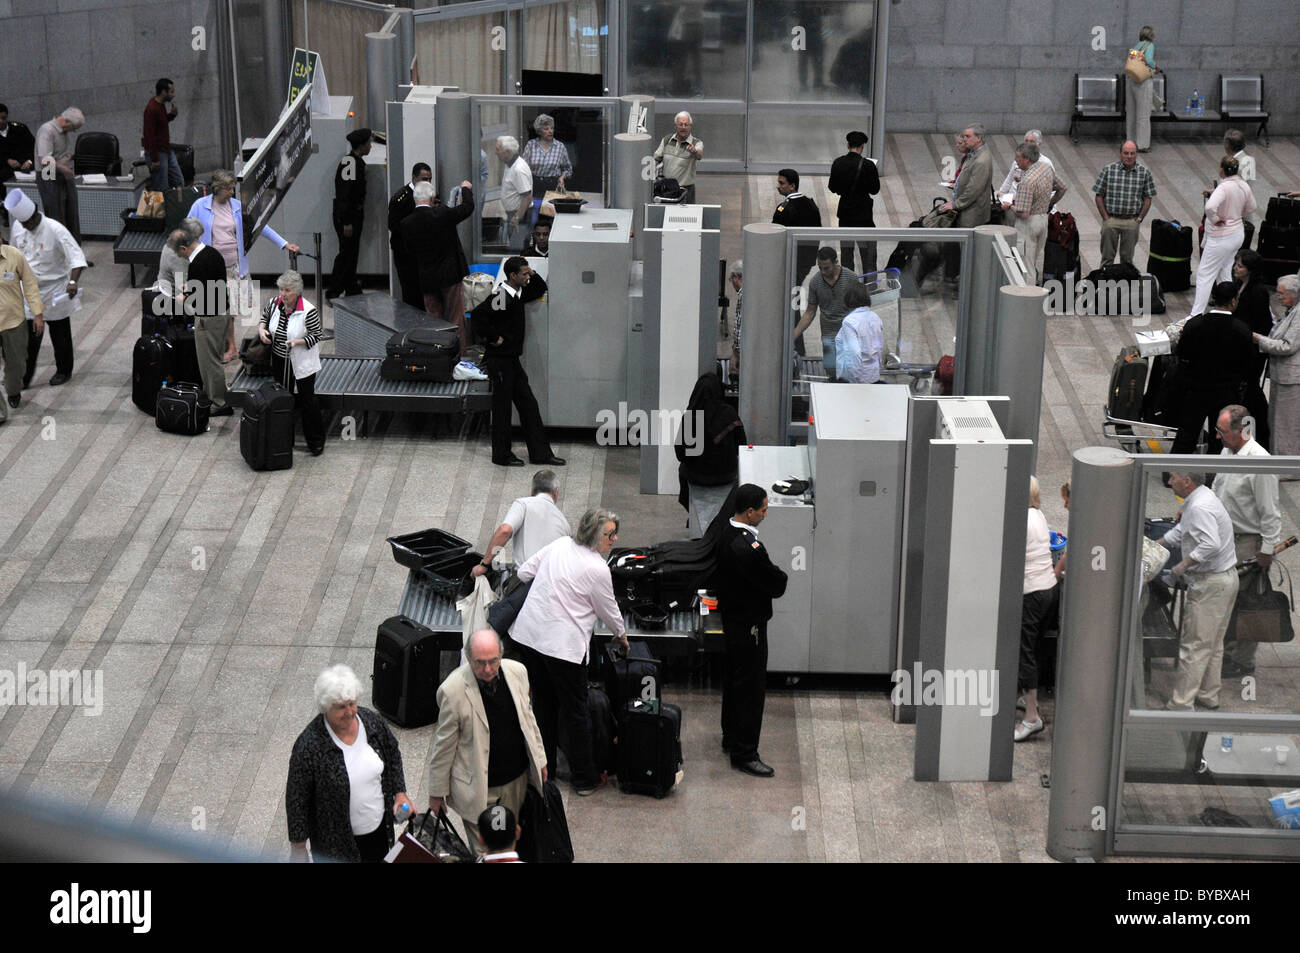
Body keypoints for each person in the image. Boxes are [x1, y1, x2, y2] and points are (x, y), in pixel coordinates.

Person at [509, 509, 628, 796]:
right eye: (610, 534)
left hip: (530, 637)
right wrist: (621, 636)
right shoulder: (597, 568)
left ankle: (544, 769)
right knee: (576, 713)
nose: (615, 538)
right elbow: (608, 609)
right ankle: (584, 777)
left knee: (543, 706)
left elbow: (525, 572)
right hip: (563, 649)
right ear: (594, 535)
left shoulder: (560, 544)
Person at [427, 629, 547, 855]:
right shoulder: (452, 691)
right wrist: (436, 792)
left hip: (516, 782)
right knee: (485, 851)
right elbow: (443, 747)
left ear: (501, 655)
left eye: (493, 661)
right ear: (469, 659)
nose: (488, 669)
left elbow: (528, 719)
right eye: (480, 663)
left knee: (510, 842)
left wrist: (540, 759)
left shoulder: (517, 672)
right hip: (479, 789)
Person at [286, 664, 414, 862]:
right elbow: (297, 798)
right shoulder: (309, 746)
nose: (349, 711)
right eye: (341, 707)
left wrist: (400, 792)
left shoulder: (371, 722)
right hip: (335, 842)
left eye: (352, 703)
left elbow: (392, 754)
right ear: (325, 707)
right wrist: (298, 847)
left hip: (377, 828)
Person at [716, 484, 788, 777]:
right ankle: (745, 752)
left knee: (734, 681)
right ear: (750, 512)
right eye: (763, 509)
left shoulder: (725, 533)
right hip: (750, 627)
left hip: (732, 622)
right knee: (750, 689)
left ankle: (731, 736)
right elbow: (777, 582)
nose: (766, 514)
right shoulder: (749, 548)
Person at [187, 169, 298, 355]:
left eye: (233, 189)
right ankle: (224, 344)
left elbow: (261, 227)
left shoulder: (237, 207)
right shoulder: (200, 205)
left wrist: (284, 243)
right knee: (218, 309)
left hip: (235, 265)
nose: (232, 192)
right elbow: (187, 228)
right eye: (229, 189)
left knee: (231, 309)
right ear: (219, 188)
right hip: (212, 267)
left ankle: (231, 346)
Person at [470, 257, 564, 467]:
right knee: (502, 408)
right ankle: (501, 455)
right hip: (500, 362)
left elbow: (540, 288)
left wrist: (532, 272)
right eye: (523, 274)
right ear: (512, 276)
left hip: (511, 360)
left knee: (528, 405)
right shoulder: (502, 296)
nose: (527, 277)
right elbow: (477, 317)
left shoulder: (519, 293)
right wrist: (495, 338)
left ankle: (540, 453)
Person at [1159, 471, 1240, 711]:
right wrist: (1155, 545)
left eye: (1173, 477)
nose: (1169, 482)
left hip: (1210, 584)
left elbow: (1210, 544)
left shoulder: (1199, 507)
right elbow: (1182, 532)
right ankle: (1208, 694)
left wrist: (1182, 565)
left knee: (1193, 646)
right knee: (1212, 644)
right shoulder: (1200, 498)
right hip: (1225, 580)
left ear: (1187, 481)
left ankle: (1181, 704)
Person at [1213, 404, 1281, 679]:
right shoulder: (1228, 450)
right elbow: (1219, 486)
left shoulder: (1260, 462)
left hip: (1247, 542)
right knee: (1228, 600)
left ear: (1243, 431)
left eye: (1223, 431)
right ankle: (1226, 652)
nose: (1218, 436)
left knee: (1248, 604)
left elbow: (1270, 511)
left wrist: (1266, 550)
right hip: (1226, 538)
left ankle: (1242, 660)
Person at [4, 190, 84, 388]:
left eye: (26, 224)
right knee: (30, 339)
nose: (23, 227)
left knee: (60, 335)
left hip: (55, 289)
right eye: (21, 224)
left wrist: (72, 283)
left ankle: (64, 371)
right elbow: (14, 254)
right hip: (30, 291)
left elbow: (77, 258)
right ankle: (24, 377)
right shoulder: (18, 227)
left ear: (34, 217)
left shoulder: (55, 229)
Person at [1170, 281, 1256, 457]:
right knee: (1220, 436)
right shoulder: (1241, 329)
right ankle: (1214, 477)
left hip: (1195, 389)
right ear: (1233, 301)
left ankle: (1173, 472)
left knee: (1187, 432)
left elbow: (1181, 354)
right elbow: (1248, 363)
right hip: (1226, 392)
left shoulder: (1194, 324)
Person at [257, 270, 324, 455]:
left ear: (297, 291)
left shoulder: (308, 310)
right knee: (281, 399)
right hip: (279, 359)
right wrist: (262, 331)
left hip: (301, 362)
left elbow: (317, 335)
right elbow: (263, 319)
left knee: (307, 400)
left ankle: (315, 441)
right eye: (281, 290)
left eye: (287, 290)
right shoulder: (274, 304)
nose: (283, 294)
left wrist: (297, 342)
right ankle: (283, 439)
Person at [401, 179, 475, 345]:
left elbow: (409, 252)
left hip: (426, 277)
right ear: (432, 197)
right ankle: (458, 358)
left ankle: (437, 355)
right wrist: (465, 190)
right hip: (450, 276)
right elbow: (467, 208)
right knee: (455, 318)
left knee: (433, 320)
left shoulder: (406, 223)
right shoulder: (442, 214)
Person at [676, 371, 747, 536]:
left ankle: (691, 513)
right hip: (726, 476)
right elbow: (742, 445)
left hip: (697, 476)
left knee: (682, 469)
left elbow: (680, 454)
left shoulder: (690, 417)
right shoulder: (729, 413)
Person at [1017, 477, 1059, 742]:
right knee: (1033, 648)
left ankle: (1031, 717)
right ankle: (1028, 697)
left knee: (1025, 652)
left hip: (1031, 592)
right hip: (1048, 589)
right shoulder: (1038, 515)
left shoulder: (1022, 520)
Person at [471, 469, 570, 579]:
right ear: (556, 493)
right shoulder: (564, 523)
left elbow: (505, 531)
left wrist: (484, 564)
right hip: (549, 583)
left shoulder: (524, 504)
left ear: (532, 492)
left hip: (523, 580)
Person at [175, 229, 233, 416]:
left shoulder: (197, 263)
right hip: (221, 312)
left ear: (184, 248)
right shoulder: (212, 252)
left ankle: (220, 402)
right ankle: (216, 396)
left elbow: (194, 295)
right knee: (213, 357)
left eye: (179, 253)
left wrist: (182, 297)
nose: (180, 256)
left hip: (208, 318)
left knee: (209, 362)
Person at [1191, 156, 1256, 318]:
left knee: (1205, 274)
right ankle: (1228, 307)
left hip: (1220, 237)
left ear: (1222, 169)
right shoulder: (1243, 185)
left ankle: (1196, 314)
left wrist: (1215, 219)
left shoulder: (1223, 187)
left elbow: (1210, 207)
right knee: (1225, 272)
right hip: (1237, 234)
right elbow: (1251, 207)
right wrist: (1235, 212)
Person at [1008, 142, 1067, 286]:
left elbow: (1023, 213)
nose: (1016, 160)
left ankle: (1027, 298)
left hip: (1027, 226)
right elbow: (1062, 188)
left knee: (1026, 266)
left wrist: (1009, 206)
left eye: (1018, 157)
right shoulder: (1046, 168)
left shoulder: (1026, 182)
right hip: (1042, 220)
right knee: (1032, 260)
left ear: (1027, 159)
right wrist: (1050, 203)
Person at [1253, 276, 1300, 456]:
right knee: (1277, 422)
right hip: (1282, 375)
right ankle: (1279, 460)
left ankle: (1288, 465)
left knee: (1286, 425)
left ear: (1294, 295)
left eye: (1282, 294)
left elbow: (1288, 346)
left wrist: (1260, 339)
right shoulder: (1291, 310)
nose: (1278, 297)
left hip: (1292, 378)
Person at [940, 124, 993, 283]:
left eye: (968, 136)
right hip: (967, 209)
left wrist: (955, 204)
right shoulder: (974, 155)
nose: (964, 139)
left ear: (979, 138)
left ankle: (969, 283)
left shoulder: (982, 160)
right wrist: (957, 183)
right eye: (964, 136)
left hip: (972, 213)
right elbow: (968, 178)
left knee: (968, 251)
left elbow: (974, 189)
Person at [1091, 140, 1157, 267]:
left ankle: (1124, 285)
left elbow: (1148, 198)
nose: (1129, 156)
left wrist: (1139, 219)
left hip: (1131, 221)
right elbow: (1099, 195)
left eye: (1132, 153)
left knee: (1127, 260)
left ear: (1136, 154)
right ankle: (1105, 285)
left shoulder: (1144, 173)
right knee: (1107, 259)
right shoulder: (1108, 170)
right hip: (1111, 220)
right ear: (1120, 153)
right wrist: (1106, 218)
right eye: (1126, 153)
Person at [794, 247, 854, 379]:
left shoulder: (850, 277)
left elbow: (859, 307)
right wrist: (794, 335)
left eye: (826, 268)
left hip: (849, 333)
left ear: (836, 262)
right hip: (829, 336)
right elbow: (810, 312)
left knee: (850, 372)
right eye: (820, 268)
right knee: (831, 371)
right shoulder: (815, 282)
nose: (823, 271)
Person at [1232, 249, 1272, 448]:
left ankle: (1262, 431)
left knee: (1251, 390)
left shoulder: (1258, 292)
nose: (1235, 268)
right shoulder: (1240, 285)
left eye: (1240, 266)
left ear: (1250, 270)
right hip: (1241, 345)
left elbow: (1261, 322)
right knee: (1250, 391)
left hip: (1253, 349)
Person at [327, 128, 372, 301]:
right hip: (348, 216)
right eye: (368, 143)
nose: (370, 147)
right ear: (361, 145)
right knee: (346, 254)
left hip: (353, 215)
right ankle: (334, 290)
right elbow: (344, 194)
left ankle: (351, 286)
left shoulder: (354, 162)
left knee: (352, 252)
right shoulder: (351, 164)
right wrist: (346, 221)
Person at [0, 240, 43, 421]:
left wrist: (38, 314)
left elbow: (30, 284)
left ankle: (13, 389)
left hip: (13, 322)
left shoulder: (14, 255)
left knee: (17, 365)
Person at [828, 131, 880, 274]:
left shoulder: (838, 163)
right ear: (862, 147)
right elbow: (875, 190)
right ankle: (870, 288)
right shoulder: (868, 166)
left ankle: (848, 284)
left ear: (847, 145)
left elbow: (832, 187)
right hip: (863, 215)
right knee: (868, 254)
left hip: (845, 213)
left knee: (846, 253)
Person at [34, 108, 84, 244]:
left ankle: (75, 254)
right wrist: (64, 169)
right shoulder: (47, 130)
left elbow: (59, 153)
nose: (73, 131)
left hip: (62, 172)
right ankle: (60, 254)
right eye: (74, 128)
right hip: (48, 173)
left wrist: (67, 160)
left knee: (71, 213)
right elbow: (44, 159)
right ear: (67, 122)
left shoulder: (63, 132)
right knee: (56, 215)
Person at [387, 162, 432, 309]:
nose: (427, 183)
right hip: (405, 253)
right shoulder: (401, 199)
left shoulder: (429, 195)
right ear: (414, 178)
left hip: (422, 252)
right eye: (424, 179)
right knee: (410, 291)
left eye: (429, 179)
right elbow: (393, 226)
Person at [772, 168, 821, 281]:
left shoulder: (784, 208)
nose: (778, 186)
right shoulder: (811, 204)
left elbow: (775, 234)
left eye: (781, 183)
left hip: (790, 259)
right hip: (807, 259)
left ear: (792, 186)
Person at [834, 283, 884, 384]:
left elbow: (854, 353)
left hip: (856, 379)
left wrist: (855, 381)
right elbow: (879, 348)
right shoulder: (875, 317)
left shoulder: (849, 322)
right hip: (873, 375)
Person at [653, 112, 703, 205]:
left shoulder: (696, 142)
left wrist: (694, 151)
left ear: (690, 126)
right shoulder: (667, 140)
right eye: (680, 124)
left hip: (685, 190)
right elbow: (656, 158)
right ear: (675, 126)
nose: (683, 127)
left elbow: (699, 155)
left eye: (686, 124)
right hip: (667, 189)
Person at [142, 78, 182, 191]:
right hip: (158, 152)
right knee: (161, 187)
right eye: (171, 92)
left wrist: (171, 115)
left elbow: (161, 124)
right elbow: (149, 135)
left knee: (179, 181)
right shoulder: (151, 109)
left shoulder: (160, 105)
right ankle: (161, 208)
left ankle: (178, 203)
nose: (173, 95)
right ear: (164, 92)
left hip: (165, 149)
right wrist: (155, 159)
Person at [1124, 26, 1160, 152]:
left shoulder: (1136, 46)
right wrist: (1157, 67)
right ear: (1151, 35)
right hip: (1143, 82)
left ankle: (1130, 141)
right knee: (1143, 115)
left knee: (1131, 114)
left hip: (1131, 80)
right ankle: (1142, 144)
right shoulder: (1149, 45)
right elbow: (1149, 60)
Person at [0, 103, 35, 230]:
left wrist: (30, 161)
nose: (1, 121)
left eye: (3, 118)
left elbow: (34, 148)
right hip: (4, 169)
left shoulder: (20, 129)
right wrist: (6, 160)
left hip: (24, 166)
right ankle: (7, 211)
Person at [495, 136, 533, 250]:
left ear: (507, 152)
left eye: (498, 150)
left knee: (517, 248)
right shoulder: (509, 164)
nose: (495, 153)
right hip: (514, 213)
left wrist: (517, 218)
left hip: (520, 214)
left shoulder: (518, 169)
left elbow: (527, 197)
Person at [521, 114, 573, 196]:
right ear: (539, 131)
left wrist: (562, 178)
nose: (550, 131)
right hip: (534, 185)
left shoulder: (560, 147)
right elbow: (523, 167)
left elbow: (568, 169)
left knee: (550, 208)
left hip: (553, 185)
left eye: (552, 128)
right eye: (546, 129)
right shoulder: (531, 145)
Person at [156, 217, 203, 304]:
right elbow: (182, 289)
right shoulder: (179, 256)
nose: (198, 241)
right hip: (172, 297)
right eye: (196, 238)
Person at [998, 130, 1053, 198]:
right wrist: (1001, 192)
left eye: (1032, 142)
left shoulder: (1046, 163)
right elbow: (1009, 179)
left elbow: (1051, 187)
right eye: (1026, 141)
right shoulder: (1018, 159)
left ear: (1039, 144)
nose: (1028, 144)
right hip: (1011, 196)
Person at [727, 260, 743, 375]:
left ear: (736, 277)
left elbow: (740, 329)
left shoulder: (744, 296)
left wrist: (736, 353)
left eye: (730, 279)